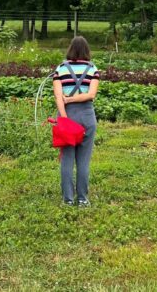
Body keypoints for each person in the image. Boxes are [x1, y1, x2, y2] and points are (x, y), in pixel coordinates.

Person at [53, 36, 100, 207]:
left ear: (70, 49)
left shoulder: (60, 69)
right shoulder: (92, 69)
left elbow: (59, 96)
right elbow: (91, 95)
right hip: (87, 116)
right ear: (87, 51)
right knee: (83, 160)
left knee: (67, 158)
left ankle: (67, 199)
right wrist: (74, 100)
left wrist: (64, 116)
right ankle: (82, 198)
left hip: (67, 116)